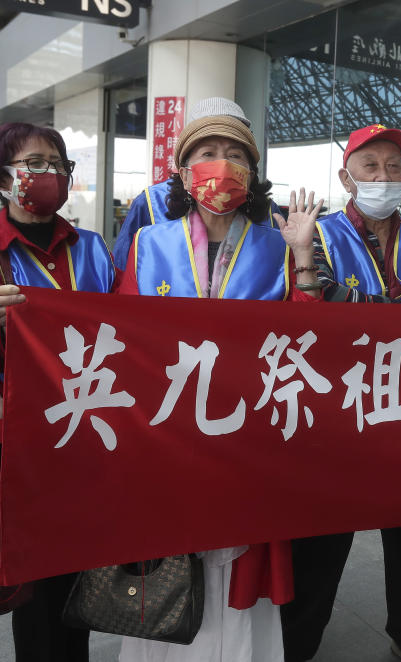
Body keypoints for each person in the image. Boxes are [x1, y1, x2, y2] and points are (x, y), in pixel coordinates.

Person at [116, 101, 321, 662]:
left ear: (252, 174)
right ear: (183, 172)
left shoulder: (276, 245)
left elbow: (307, 339)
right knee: (170, 556)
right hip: (170, 434)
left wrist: (303, 254)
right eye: (207, 154)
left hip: (246, 435)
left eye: (236, 156)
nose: (221, 166)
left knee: (238, 564)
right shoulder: (148, 244)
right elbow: (121, 337)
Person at [281, 123, 401, 662]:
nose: (384, 176)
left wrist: (374, 317)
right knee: (322, 540)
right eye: (371, 166)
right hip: (335, 413)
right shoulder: (316, 235)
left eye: (395, 167)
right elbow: (321, 305)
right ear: (347, 175)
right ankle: (299, 643)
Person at [0, 121, 119, 662]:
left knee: (78, 581)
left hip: (85, 437)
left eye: (59, 163)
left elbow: (134, 332)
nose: (49, 174)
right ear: (5, 177)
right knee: (33, 588)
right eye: (35, 163)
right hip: (19, 444)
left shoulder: (94, 251)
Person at [112, 97, 281, 270]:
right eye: (208, 153)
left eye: (234, 153)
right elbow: (123, 272)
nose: (222, 164)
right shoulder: (150, 203)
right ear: (185, 167)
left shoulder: (268, 210)